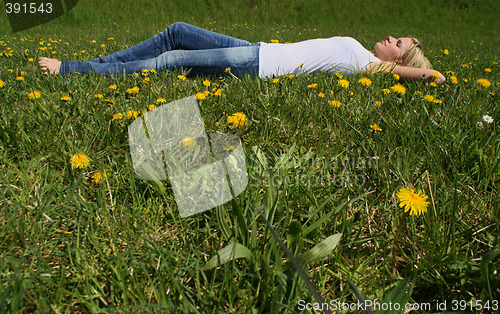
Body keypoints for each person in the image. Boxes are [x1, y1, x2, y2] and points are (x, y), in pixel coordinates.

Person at [38, 22, 446, 83]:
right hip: (258, 49)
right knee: (177, 32)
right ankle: (104, 64)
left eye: (400, 45)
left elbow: (399, 76)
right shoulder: (360, 50)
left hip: (256, 65)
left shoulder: (370, 65)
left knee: (170, 61)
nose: (393, 39)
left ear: (398, 60)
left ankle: (73, 70)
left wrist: (429, 76)